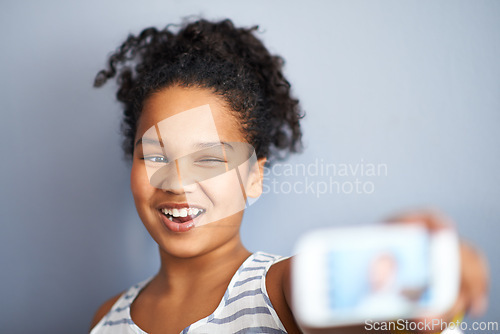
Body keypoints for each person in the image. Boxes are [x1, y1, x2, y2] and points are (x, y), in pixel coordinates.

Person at [89, 18, 489, 334]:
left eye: (209, 160)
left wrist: (402, 270)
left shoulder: (281, 289)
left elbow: (340, 296)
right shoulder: (106, 318)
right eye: (155, 156)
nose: (175, 182)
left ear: (253, 178)